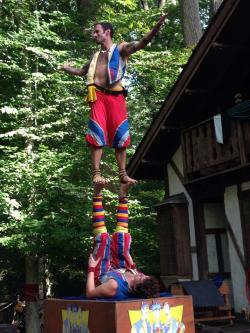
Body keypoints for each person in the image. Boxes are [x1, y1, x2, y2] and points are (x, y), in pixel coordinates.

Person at [60, 16, 166, 186]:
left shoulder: (121, 48)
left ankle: (123, 174)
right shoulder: (95, 57)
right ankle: (96, 174)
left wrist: (155, 29)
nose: (94, 35)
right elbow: (81, 71)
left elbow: (141, 43)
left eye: (97, 31)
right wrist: (67, 69)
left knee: (121, 134)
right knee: (96, 132)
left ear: (107, 32)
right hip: (98, 97)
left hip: (116, 97)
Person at [86, 182, 160, 299]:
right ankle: (123, 195)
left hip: (102, 274)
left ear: (134, 287)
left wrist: (91, 268)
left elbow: (90, 294)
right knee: (122, 239)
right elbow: (138, 275)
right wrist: (130, 261)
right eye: (145, 275)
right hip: (120, 268)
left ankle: (97, 193)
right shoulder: (139, 279)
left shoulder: (113, 287)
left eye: (141, 277)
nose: (142, 275)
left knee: (103, 238)